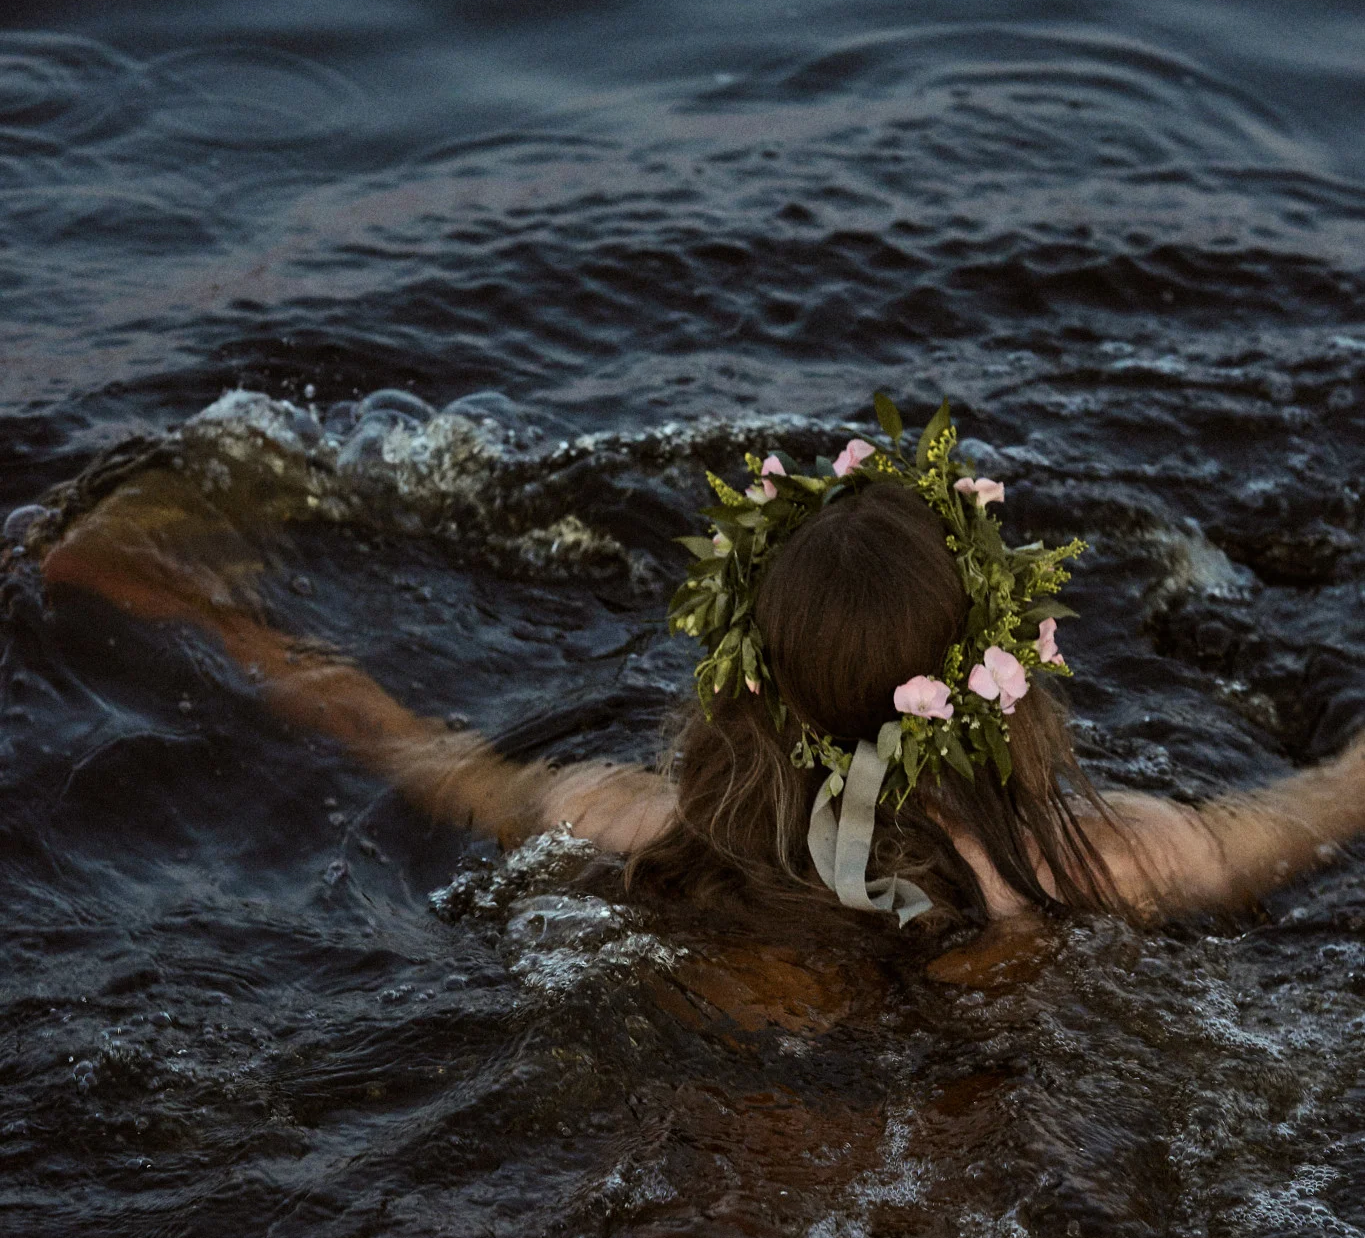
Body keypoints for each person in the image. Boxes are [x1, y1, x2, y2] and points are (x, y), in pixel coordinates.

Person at [37, 394, 1365, 940]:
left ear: (746, 678)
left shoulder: (647, 832)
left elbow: (399, 738)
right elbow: (1331, 798)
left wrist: (206, 609)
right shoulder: (1103, 863)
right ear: (997, 674)